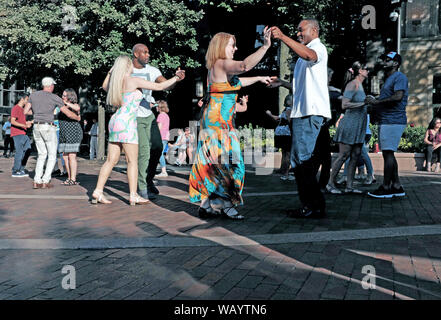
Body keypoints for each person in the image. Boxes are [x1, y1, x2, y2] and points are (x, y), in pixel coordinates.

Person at [189, 29, 272, 220]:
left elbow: (238, 81)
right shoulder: (220, 64)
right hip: (217, 123)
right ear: (221, 46)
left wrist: (259, 78)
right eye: (232, 45)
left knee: (215, 162)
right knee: (231, 162)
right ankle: (226, 205)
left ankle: (206, 204)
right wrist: (266, 46)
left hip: (217, 122)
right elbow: (243, 66)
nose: (236, 48)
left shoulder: (220, 68)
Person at [94, 55, 184, 205]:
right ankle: (133, 195)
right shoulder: (132, 80)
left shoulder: (115, 83)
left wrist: (111, 72)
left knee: (111, 160)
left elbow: (104, 86)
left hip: (115, 121)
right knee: (132, 161)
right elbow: (160, 87)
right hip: (128, 122)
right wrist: (176, 78)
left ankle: (98, 191)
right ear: (128, 67)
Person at [268, 20, 331, 218]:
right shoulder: (305, 56)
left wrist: (283, 37)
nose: (297, 33)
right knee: (301, 160)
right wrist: (283, 83)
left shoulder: (317, 48)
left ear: (314, 30)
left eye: (300, 30)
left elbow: (309, 55)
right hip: (304, 113)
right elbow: (303, 88)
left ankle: (313, 206)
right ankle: (312, 205)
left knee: (301, 161)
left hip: (309, 114)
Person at [131, 43, 185, 200]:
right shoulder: (128, 69)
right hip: (133, 116)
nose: (148, 55)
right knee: (143, 151)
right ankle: (141, 188)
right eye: (145, 53)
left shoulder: (153, 70)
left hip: (148, 114)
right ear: (136, 54)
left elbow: (165, 86)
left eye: (149, 52)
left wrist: (176, 78)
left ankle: (147, 180)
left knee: (157, 147)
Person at [24, 77, 81, 189]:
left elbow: (25, 111)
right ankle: (45, 180)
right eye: (53, 85)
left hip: (36, 126)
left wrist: (37, 113)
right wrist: (77, 118)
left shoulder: (33, 95)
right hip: (48, 126)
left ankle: (37, 180)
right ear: (50, 86)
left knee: (41, 154)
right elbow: (68, 114)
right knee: (51, 155)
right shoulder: (54, 97)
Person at [366, 52, 408, 198]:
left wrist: (377, 102)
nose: (384, 62)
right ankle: (396, 186)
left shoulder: (399, 77)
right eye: (384, 59)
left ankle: (386, 187)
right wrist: (375, 100)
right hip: (389, 120)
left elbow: (398, 96)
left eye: (387, 60)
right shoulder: (390, 78)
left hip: (393, 121)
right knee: (388, 153)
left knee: (388, 154)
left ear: (396, 63)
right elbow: (388, 97)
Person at [326, 61, 369, 194]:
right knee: (343, 155)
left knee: (355, 155)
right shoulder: (352, 84)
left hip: (359, 126)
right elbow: (344, 105)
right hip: (350, 124)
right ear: (360, 71)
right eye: (365, 68)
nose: (368, 71)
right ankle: (330, 183)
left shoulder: (360, 86)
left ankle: (349, 186)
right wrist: (363, 103)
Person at [58, 88, 83, 185]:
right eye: (62, 95)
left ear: (70, 96)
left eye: (65, 95)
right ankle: (69, 177)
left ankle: (73, 178)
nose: (63, 97)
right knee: (64, 156)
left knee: (72, 156)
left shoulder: (74, 105)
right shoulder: (61, 106)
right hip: (64, 133)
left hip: (73, 133)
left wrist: (66, 103)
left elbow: (77, 108)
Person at [265, 94, 293, 181]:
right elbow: (290, 121)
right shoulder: (289, 110)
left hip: (280, 132)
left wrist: (269, 114)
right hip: (286, 133)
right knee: (288, 153)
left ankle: (282, 169)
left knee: (284, 152)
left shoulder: (285, 110)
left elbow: (277, 118)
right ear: (288, 102)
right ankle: (286, 174)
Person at [10, 94, 32, 177]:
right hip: (17, 134)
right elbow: (13, 121)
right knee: (19, 152)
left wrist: (28, 123)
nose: (28, 101)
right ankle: (15, 171)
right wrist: (25, 125)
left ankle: (21, 169)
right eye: (27, 99)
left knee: (28, 150)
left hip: (23, 133)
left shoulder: (22, 110)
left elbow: (21, 122)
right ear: (22, 99)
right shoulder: (16, 108)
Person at [155, 100, 170, 177]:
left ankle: (164, 171)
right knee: (160, 153)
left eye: (156, 106)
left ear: (160, 107)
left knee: (159, 154)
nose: (155, 108)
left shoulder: (160, 116)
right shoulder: (166, 116)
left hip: (161, 137)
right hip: (165, 137)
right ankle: (163, 171)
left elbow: (159, 128)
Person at [52, 106, 67, 177]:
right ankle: (56, 169)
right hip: (51, 131)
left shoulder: (58, 107)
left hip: (58, 130)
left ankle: (65, 169)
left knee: (61, 151)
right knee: (52, 151)